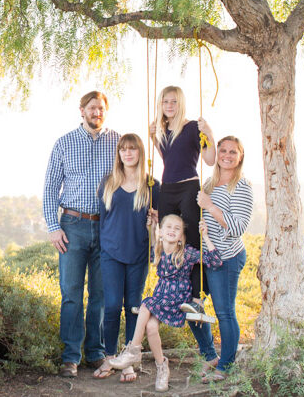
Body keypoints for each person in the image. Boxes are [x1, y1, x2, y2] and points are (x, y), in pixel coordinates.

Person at [43, 91, 120, 378]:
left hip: (107, 226)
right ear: (82, 110)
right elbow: (50, 188)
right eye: (91, 108)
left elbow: (133, 178)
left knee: (101, 293)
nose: (96, 112)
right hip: (72, 225)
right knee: (71, 293)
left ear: (105, 111)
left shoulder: (117, 142)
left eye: (101, 108)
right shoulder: (64, 143)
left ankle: (96, 353)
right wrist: (53, 227)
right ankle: (71, 357)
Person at [105, 214, 222, 392]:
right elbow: (153, 240)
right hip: (161, 298)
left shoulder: (187, 253)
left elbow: (215, 261)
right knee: (151, 327)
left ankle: (133, 350)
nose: (172, 231)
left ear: (182, 237)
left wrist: (205, 236)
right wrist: (152, 228)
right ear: (161, 231)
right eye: (168, 227)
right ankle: (162, 368)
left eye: (177, 228)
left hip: (176, 300)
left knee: (145, 305)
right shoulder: (158, 250)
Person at [92, 133, 159, 383]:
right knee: (110, 307)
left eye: (132, 149)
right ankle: (110, 357)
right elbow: (102, 220)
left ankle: (127, 361)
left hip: (138, 254)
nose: (127, 153)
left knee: (132, 308)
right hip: (110, 253)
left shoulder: (152, 185)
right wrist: (102, 249)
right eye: (123, 149)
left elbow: (157, 225)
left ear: (140, 152)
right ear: (118, 154)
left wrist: (155, 222)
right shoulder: (108, 182)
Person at [149, 85, 216, 316]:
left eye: (174, 102)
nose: (169, 106)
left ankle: (198, 298)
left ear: (181, 104)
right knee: (167, 241)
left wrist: (208, 133)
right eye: (165, 102)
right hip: (167, 189)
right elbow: (169, 159)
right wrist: (153, 135)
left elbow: (209, 159)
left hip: (188, 187)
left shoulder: (191, 128)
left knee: (192, 242)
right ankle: (168, 293)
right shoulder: (159, 130)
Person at [196, 136, 253, 383]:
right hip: (206, 256)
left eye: (233, 152)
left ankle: (226, 364)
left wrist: (209, 207)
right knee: (191, 305)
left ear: (240, 156)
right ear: (216, 153)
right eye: (222, 150)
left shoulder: (242, 186)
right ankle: (210, 355)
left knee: (224, 312)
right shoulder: (210, 182)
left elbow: (238, 226)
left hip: (227, 257)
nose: (227, 155)